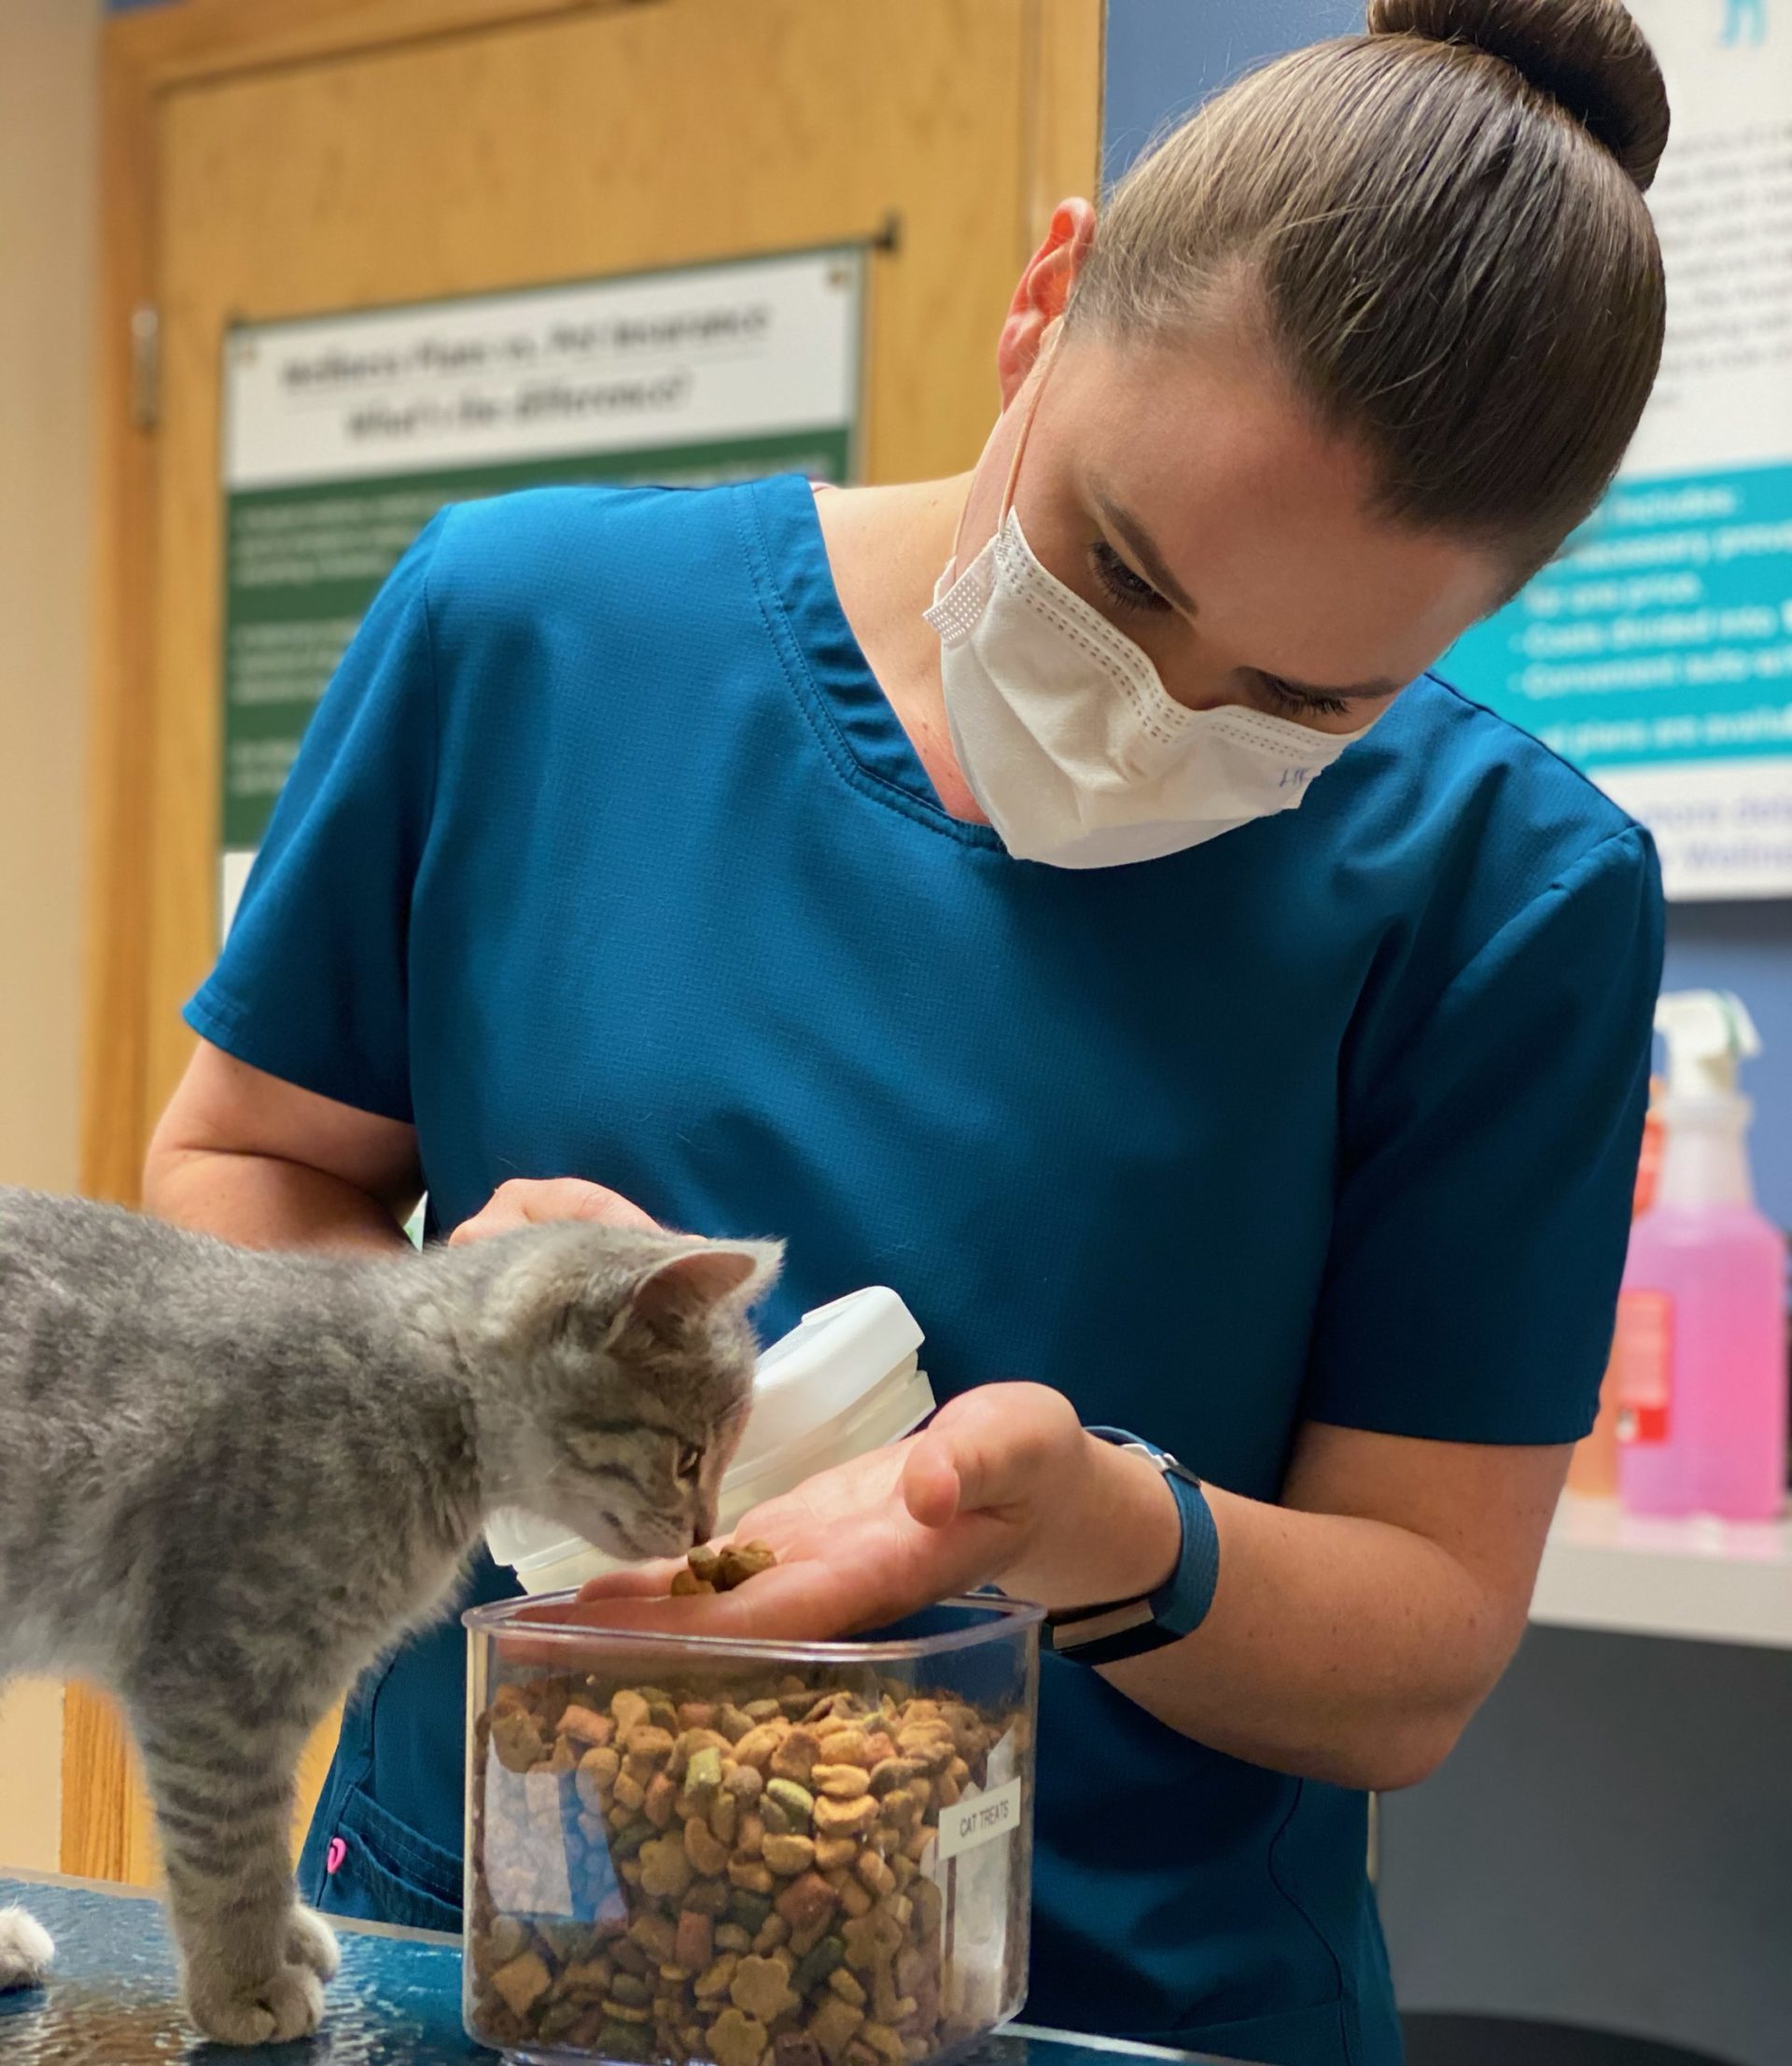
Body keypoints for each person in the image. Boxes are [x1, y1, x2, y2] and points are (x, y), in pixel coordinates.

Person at [145, 3, 1673, 2059]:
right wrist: (430, 1349)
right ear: (1045, 301)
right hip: (477, 1941)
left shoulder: (1510, 891)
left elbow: (1417, 1650)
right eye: (1118, 570)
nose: (1151, 711)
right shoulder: (524, 634)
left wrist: (1101, 1535)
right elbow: (245, 1159)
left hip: (1109, 2010)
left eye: (1306, 699)